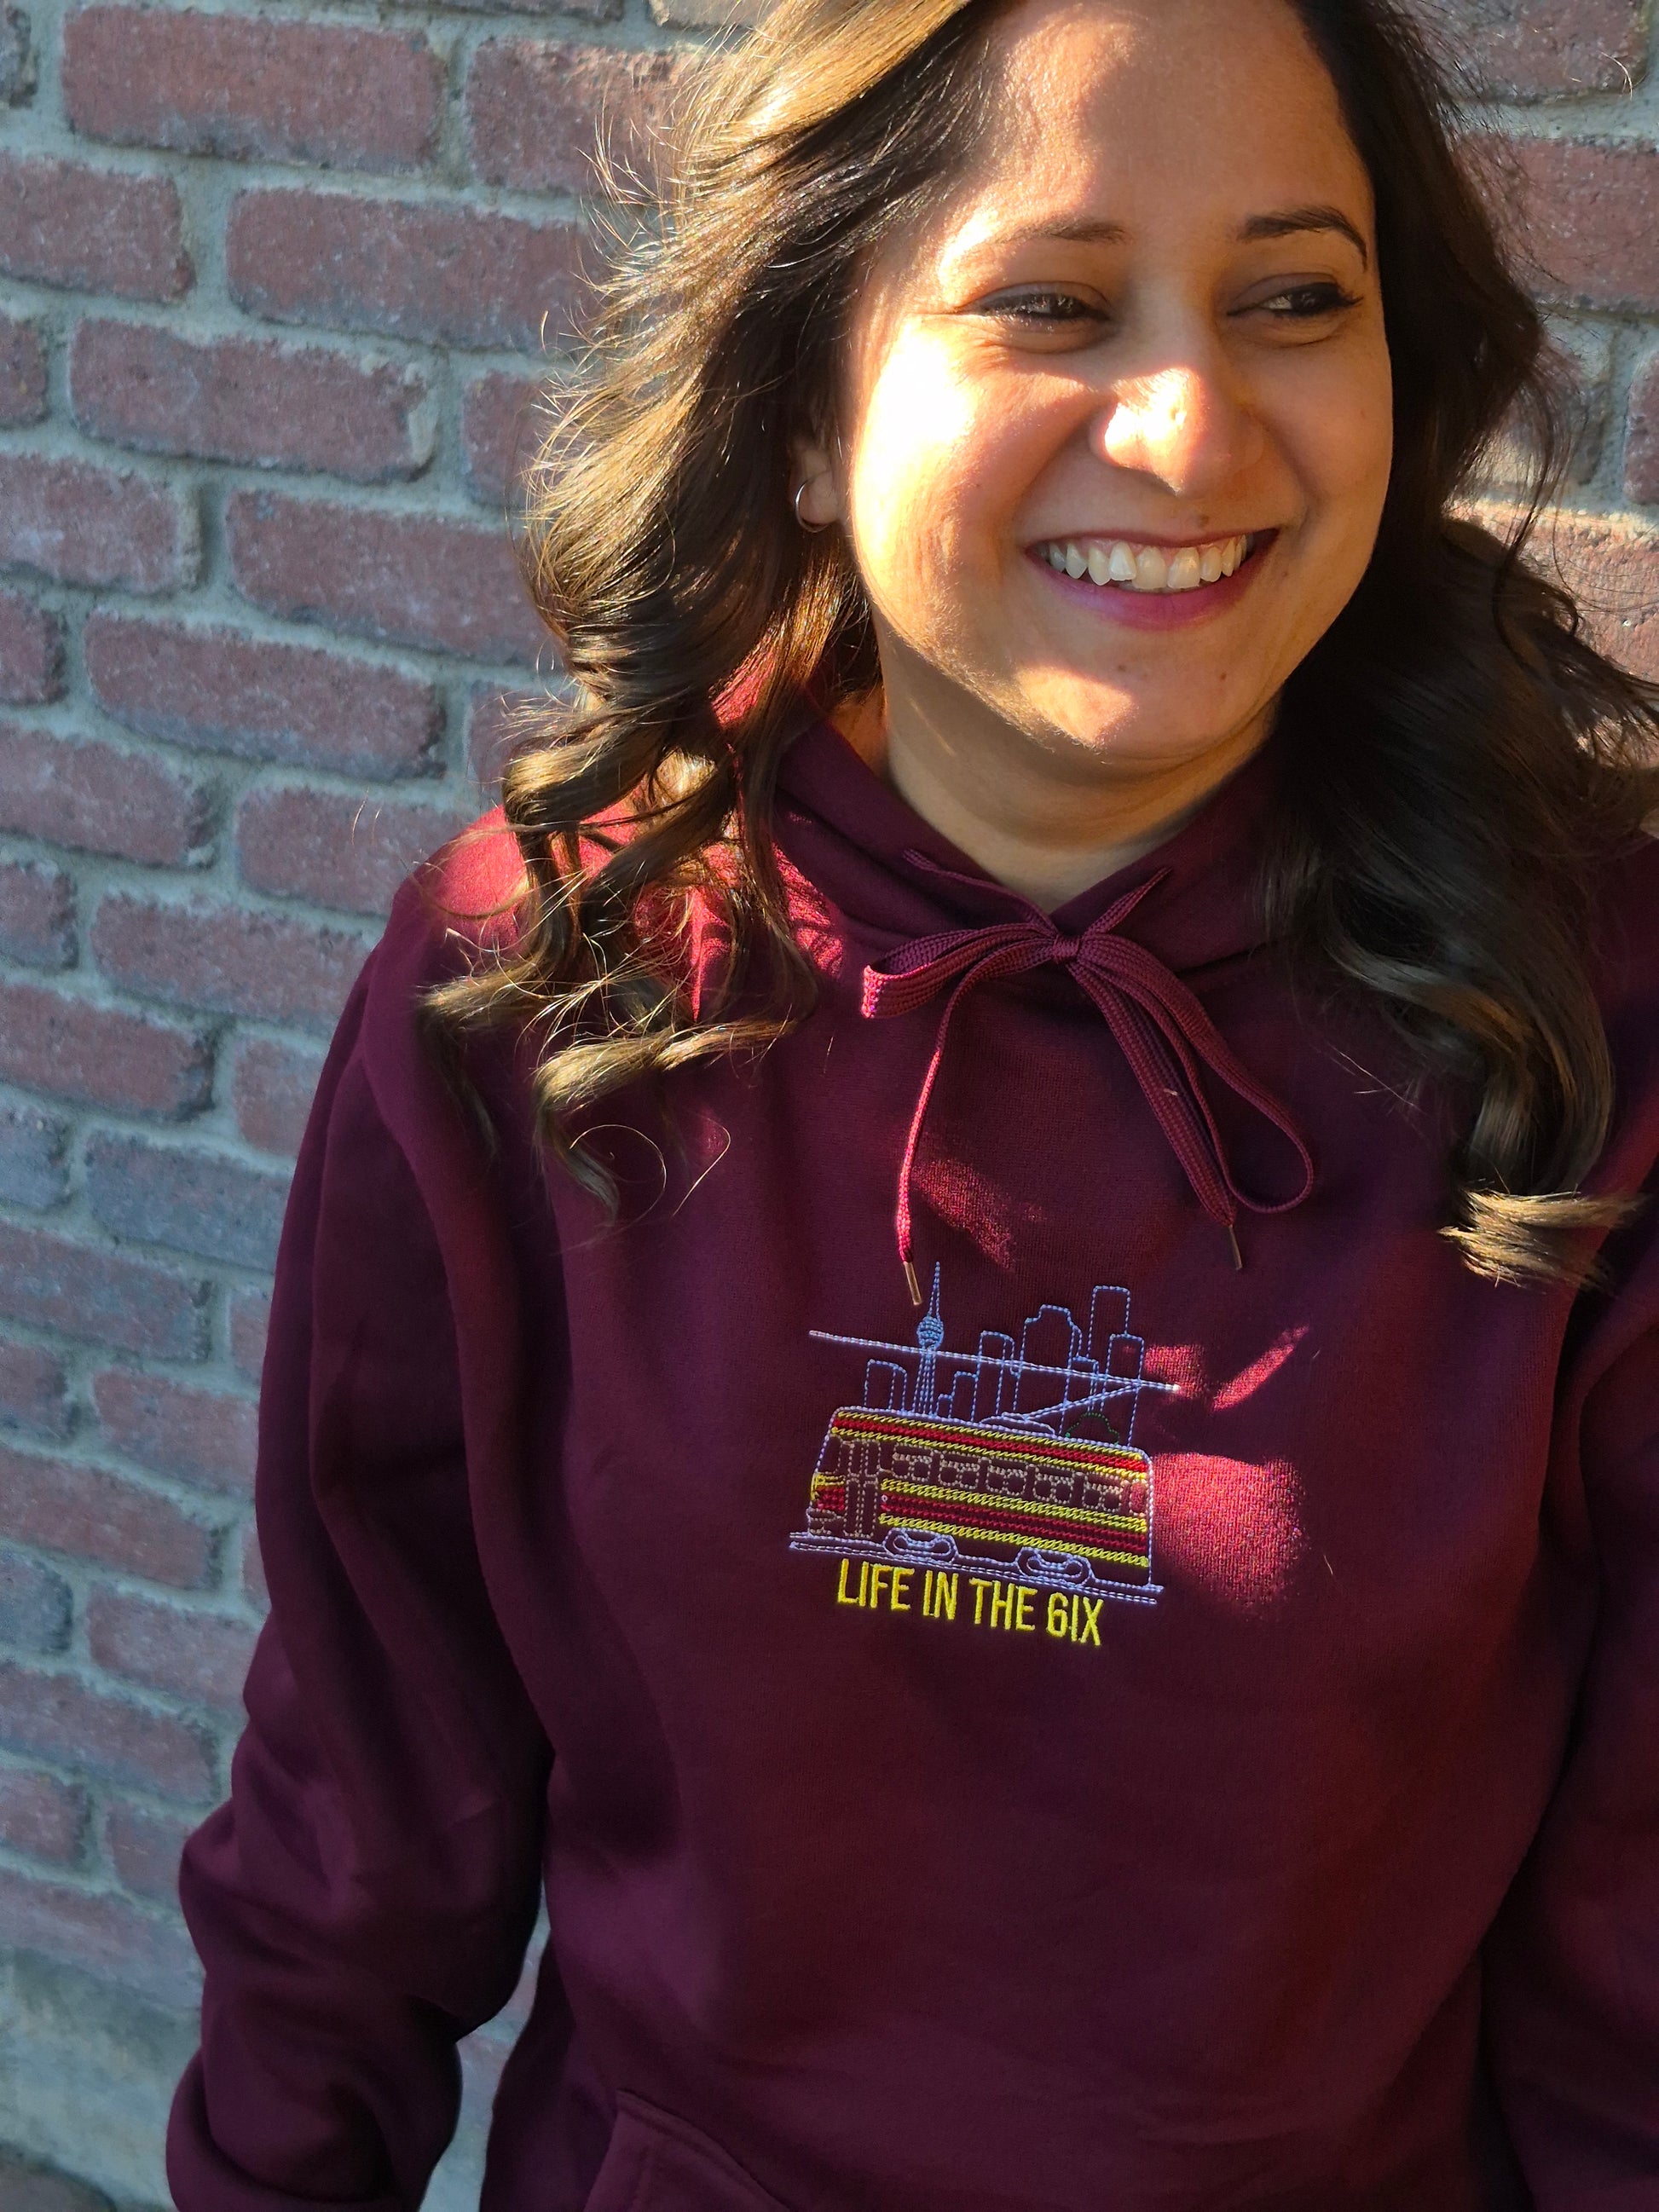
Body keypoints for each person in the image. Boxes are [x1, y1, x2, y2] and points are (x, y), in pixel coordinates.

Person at [168, 0, 1659, 2204]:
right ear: (795, 403)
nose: (1185, 424)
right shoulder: (530, 989)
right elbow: (357, 1820)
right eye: (1049, 302)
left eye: (1289, 299)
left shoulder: (1594, 1017)